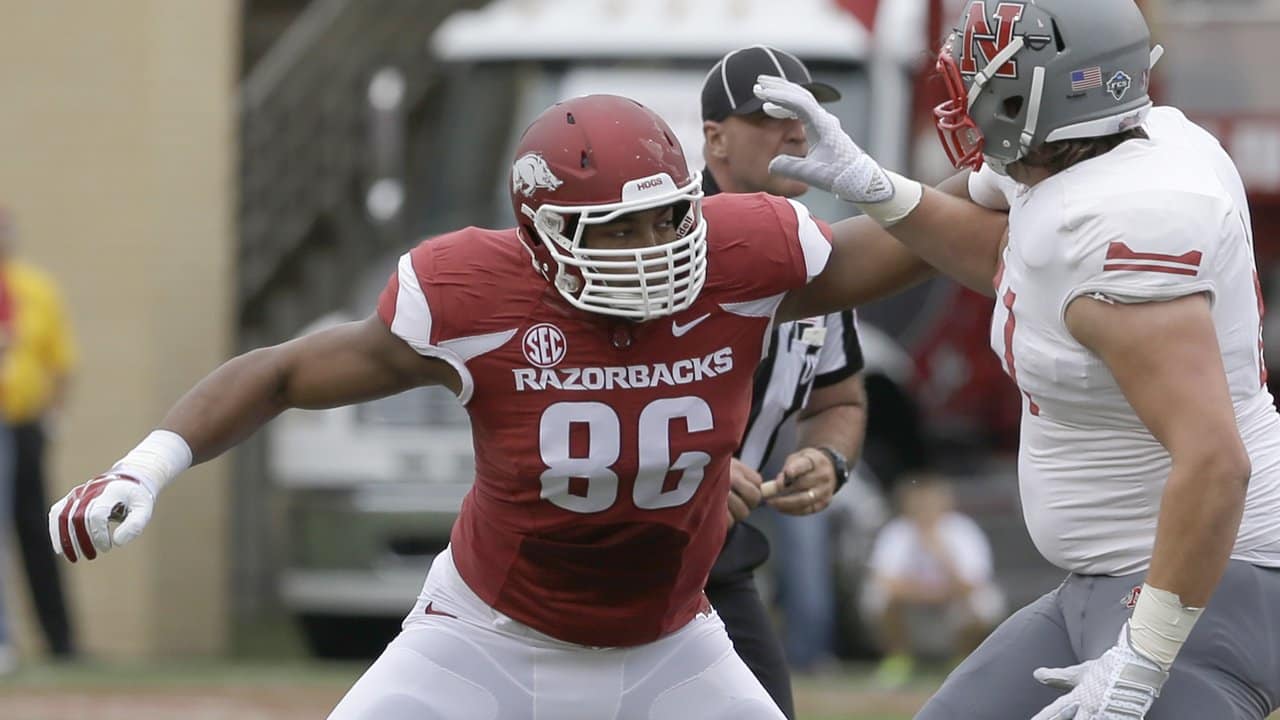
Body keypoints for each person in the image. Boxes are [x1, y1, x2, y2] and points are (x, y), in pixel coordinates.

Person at [47, 91, 1006, 718]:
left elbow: (913, 245)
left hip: (674, 642)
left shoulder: (741, 252)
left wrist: (979, 171)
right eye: (613, 226)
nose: (651, 244)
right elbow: (285, 371)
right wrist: (148, 464)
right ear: (541, 234)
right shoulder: (475, 293)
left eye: (668, 213)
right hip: (487, 636)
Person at [753, 0, 1280, 716]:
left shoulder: (1121, 228)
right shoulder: (1098, 155)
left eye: (991, 77)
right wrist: (870, 193)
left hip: (1200, 588)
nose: (968, 93)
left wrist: (1143, 659)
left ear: (1060, 90)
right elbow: (1006, 255)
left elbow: (1217, 461)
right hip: (1093, 586)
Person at [699, 46, 866, 712]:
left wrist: (829, 458)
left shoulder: (816, 252)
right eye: (772, 115)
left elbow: (842, 398)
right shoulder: (652, 239)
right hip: (625, 547)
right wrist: (696, 468)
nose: (799, 130)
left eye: (808, 113)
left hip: (722, 556)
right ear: (715, 138)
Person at [0, 208, 77, 664]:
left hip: (25, 423)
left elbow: (60, 360)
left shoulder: (35, 288)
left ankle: (60, 641)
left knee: (37, 528)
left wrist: (53, 417)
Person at [861, 472, 1003, 688]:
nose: (925, 509)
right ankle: (898, 659)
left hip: (951, 604)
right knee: (874, 596)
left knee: (987, 601)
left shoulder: (962, 529)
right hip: (913, 606)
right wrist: (925, 592)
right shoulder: (897, 531)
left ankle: (962, 660)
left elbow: (972, 583)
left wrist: (940, 552)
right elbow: (885, 581)